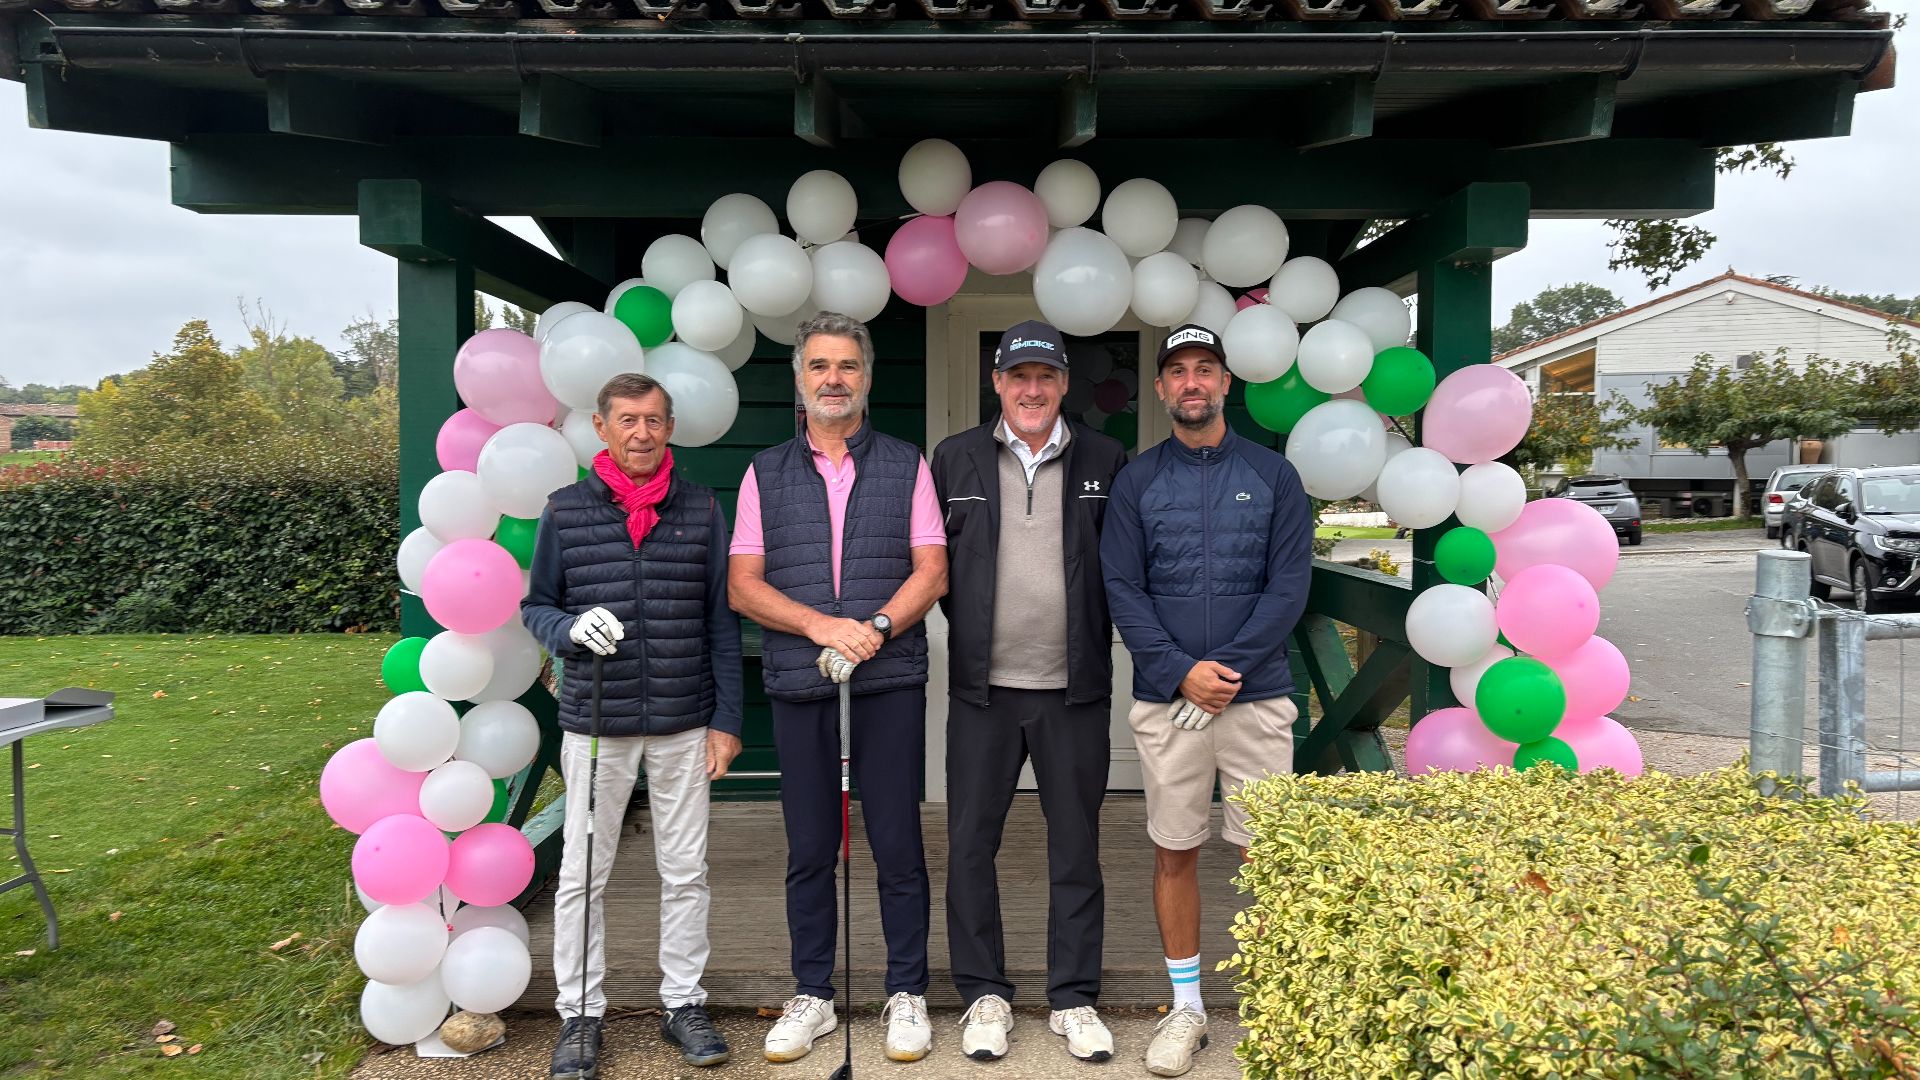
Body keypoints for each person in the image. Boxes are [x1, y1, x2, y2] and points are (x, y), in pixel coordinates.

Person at [727, 311, 950, 1064]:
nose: (833, 379)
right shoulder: (764, 472)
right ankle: (814, 994)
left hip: (888, 681)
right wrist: (823, 626)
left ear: (867, 377)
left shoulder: (906, 464)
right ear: (800, 379)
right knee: (810, 847)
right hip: (801, 682)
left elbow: (932, 570)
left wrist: (876, 627)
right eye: (820, 366)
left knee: (898, 844)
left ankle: (906, 991)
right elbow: (744, 585)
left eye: (847, 366)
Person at [1099, 323, 1313, 1078]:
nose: (1192, 382)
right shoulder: (1137, 481)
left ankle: (1278, 1007)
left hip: (1257, 702)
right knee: (1175, 848)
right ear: (1162, 388)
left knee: (1269, 857)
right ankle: (1186, 1008)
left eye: (1205, 369)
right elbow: (1122, 587)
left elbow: (1290, 585)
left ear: (1226, 382)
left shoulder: (1275, 475)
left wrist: (1225, 672)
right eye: (1179, 371)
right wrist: (1179, 671)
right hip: (1169, 702)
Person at [520, 372, 743, 1078]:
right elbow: (536, 605)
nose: (641, 433)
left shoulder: (701, 509)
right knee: (583, 872)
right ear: (602, 427)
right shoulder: (565, 511)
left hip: (684, 718)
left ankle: (684, 1004)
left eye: (653, 420)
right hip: (596, 721)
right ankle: (580, 1015)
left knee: (686, 871)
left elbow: (720, 620)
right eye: (627, 420)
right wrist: (567, 629)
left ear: (669, 428)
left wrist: (727, 719)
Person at [929, 320, 1129, 1063]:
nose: (1033, 389)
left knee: (1076, 847)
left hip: (1074, 690)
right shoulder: (954, 458)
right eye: (1020, 377)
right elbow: (931, 563)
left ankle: (1073, 997)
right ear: (998, 383)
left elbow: (1125, 567)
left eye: (1046, 376)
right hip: (982, 691)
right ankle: (984, 993)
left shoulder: (1106, 458)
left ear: (1065, 383)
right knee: (969, 846)